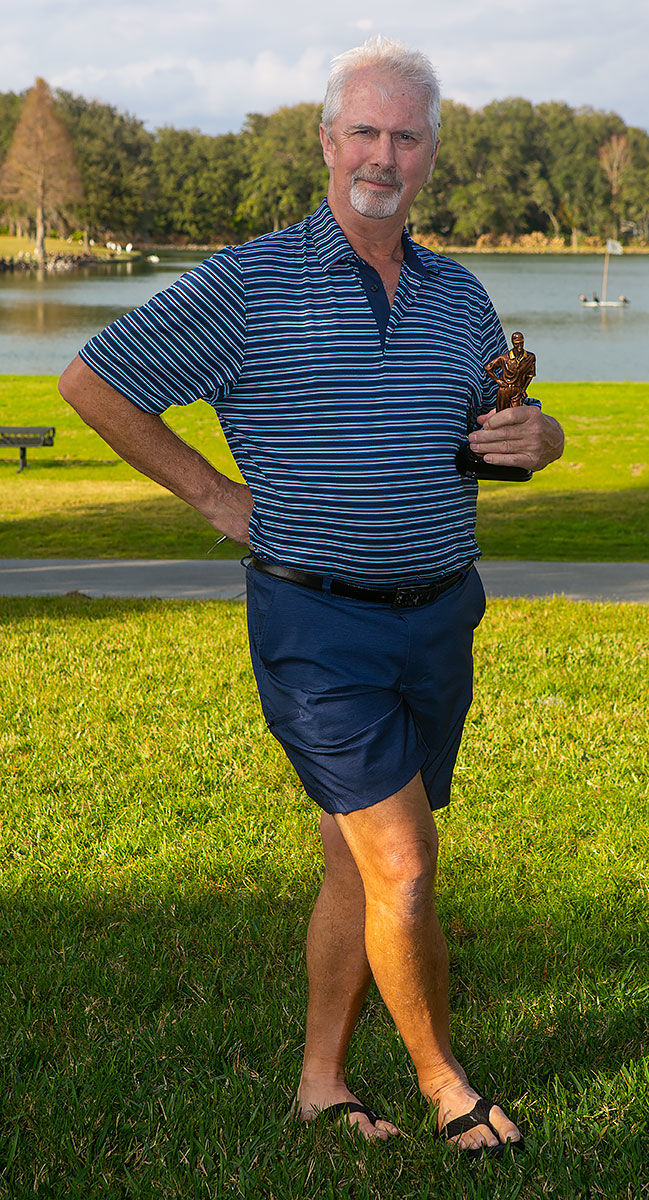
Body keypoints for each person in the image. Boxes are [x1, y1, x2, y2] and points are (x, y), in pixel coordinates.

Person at [58, 36, 564, 1154]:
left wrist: (540, 439)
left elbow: (486, 436)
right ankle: (444, 1084)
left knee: (356, 856)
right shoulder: (249, 283)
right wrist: (211, 494)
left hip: (440, 613)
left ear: (430, 154)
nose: (383, 155)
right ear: (326, 142)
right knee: (404, 862)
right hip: (316, 622)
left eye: (406, 136)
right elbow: (92, 379)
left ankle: (319, 1082)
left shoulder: (458, 297)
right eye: (364, 131)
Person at [484, 331, 537, 411]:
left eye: (521, 343)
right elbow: (488, 368)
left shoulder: (530, 357)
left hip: (517, 391)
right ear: (513, 343)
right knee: (501, 415)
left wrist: (523, 389)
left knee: (516, 415)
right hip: (504, 390)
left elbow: (530, 375)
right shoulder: (504, 358)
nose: (519, 347)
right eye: (517, 344)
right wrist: (498, 380)